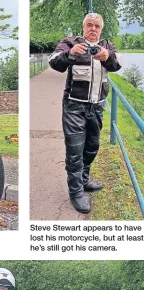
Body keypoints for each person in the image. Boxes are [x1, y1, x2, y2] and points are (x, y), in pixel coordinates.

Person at [48, 13, 122, 214]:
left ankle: (84, 178)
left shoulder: (107, 45)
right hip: (74, 107)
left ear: (101, 29)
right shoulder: (70, 42)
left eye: (97, 26)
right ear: (83, 27)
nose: (93, 29)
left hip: (97, 106)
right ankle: (76, 192)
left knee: (92, 147)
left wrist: (107, 56)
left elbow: (117, 65)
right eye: (89, 25)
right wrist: (70, 54)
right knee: (74, 152)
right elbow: (54, 62)